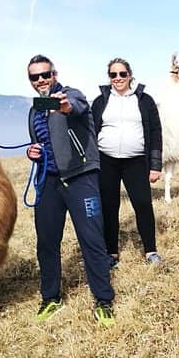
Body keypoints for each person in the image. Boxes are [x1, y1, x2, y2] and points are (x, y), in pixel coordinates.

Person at [25, 54, 116, 326]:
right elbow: (43, 141)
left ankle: (104, 301)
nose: (41, 80)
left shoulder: (70, 95)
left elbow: (75, 107)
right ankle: (51, 298)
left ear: (54, 73)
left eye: (45, 74)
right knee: (46, 243)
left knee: (92, 241)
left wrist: (64, 107)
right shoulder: (34, 109)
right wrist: (34, 152)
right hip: (48, 182)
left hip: (80, 178)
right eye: (35, 76)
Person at [91, 58, 164, 266]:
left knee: (142, 204)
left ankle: (151, 251)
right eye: (113, 75)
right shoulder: (100, 101)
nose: (118, 78)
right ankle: (111, 254)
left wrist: (155, 165)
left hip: (136, 161)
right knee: (109, 206)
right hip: (106, 160)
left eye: (122, 74)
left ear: (130, 75)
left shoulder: (144, 100)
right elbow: (90, 131)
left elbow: (156, 132)